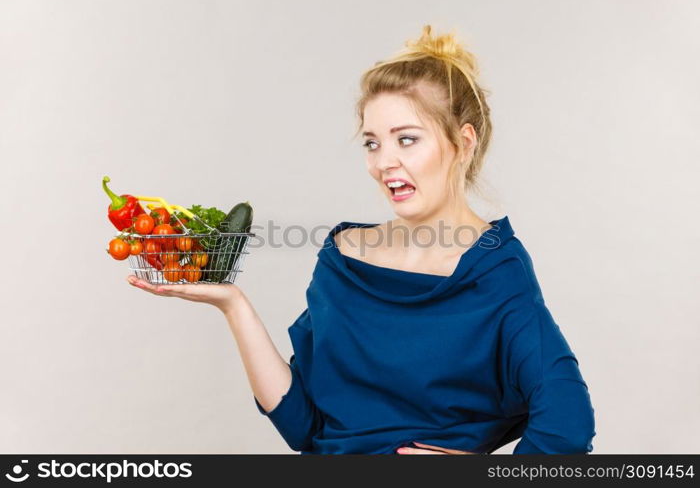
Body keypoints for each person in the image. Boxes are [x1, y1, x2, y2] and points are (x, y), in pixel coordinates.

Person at [127, 24, 596, 455]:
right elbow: (303, 428)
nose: (383, 162)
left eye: (406, 139)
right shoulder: (343, 258)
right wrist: (233, 305)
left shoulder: (495, 270)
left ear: (463, 142)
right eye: (372, 142)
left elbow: (567, 428)